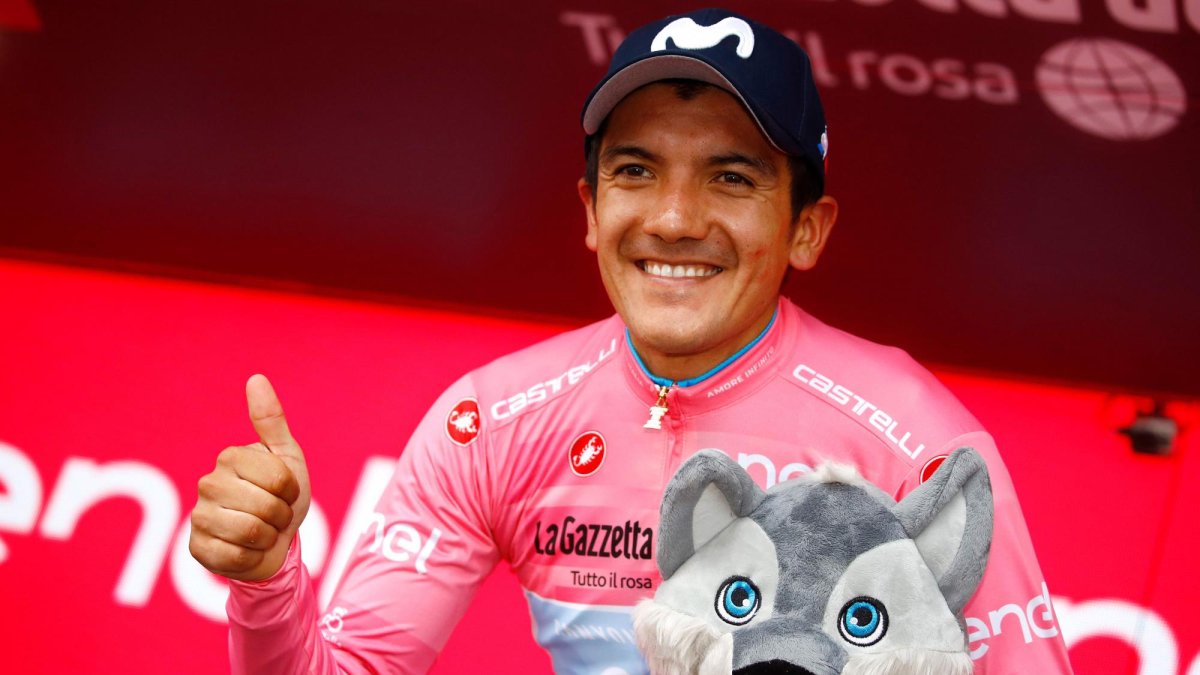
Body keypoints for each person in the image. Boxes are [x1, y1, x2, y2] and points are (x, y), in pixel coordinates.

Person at [189, 8, 1075, 674]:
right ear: (590, 211)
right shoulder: (489, 421)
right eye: (635, 170)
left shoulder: (913, 438)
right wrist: (269, 581)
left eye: (731, 177)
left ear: (808, 229)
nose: (675, 218)